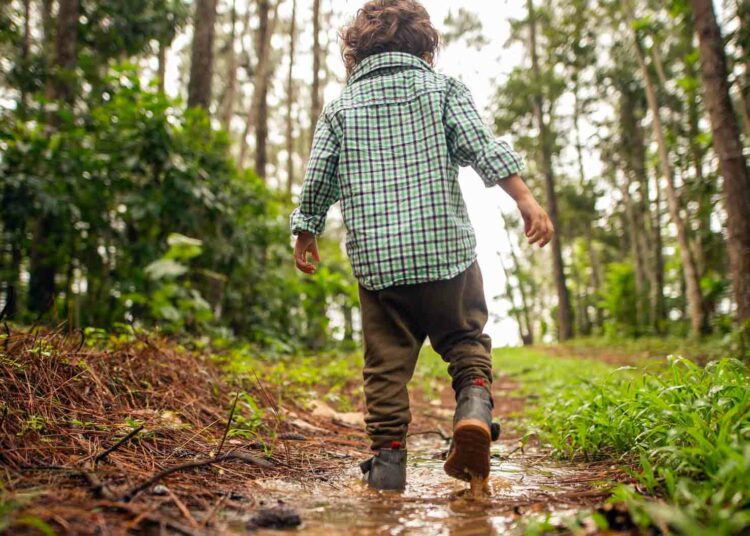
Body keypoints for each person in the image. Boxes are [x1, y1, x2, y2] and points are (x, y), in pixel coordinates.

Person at [290, 0, 553, 491]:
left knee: (385, 366)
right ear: (424, 44)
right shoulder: (442, 89)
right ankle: (473, 406)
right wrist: (526, 199)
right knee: (464, 340)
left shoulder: (341, 108)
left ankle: (388, 462)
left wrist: (306, 230)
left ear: (357, 49)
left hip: (381, 265)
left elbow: (319, 175)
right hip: (445, 253)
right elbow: (482, 146)